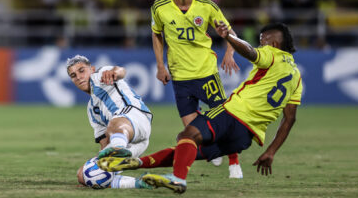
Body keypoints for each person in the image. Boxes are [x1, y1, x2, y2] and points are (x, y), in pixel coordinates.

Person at [97, 23, 303, 194]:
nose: (261, 43)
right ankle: (136, 163)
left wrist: (230, 37)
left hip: (233, 113)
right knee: (187, 150)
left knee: (187, 135)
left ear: (275, 43)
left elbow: (249, 52)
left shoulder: (272, 54)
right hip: (247, 135)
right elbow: (289, 119)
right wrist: (271, 152)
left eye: (263, 40)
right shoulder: (296, 76)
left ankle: (178, 179)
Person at [150, 0, 242, 178]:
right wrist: (160, 66)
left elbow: (229, 32)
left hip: (206, 73)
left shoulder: (207, 6)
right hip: (180, 77)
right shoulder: (160, 7)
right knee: (192, 127)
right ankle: (212, 148)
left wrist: (229, 52)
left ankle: (234, 162)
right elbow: (156, 34)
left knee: (223, 118)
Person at [66, 55, 152, 189]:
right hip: (133, 143)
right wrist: (95, 173)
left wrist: (114, 72)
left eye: (81, 70)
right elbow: (104, 145)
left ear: (92, 69)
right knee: (84, 174)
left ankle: (118, 148)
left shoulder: (100, 76)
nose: (78, 76)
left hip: (136, 118)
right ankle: (142, 182)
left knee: (114, 125)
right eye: (73, 75)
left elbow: (121, 71)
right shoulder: (91, 110)